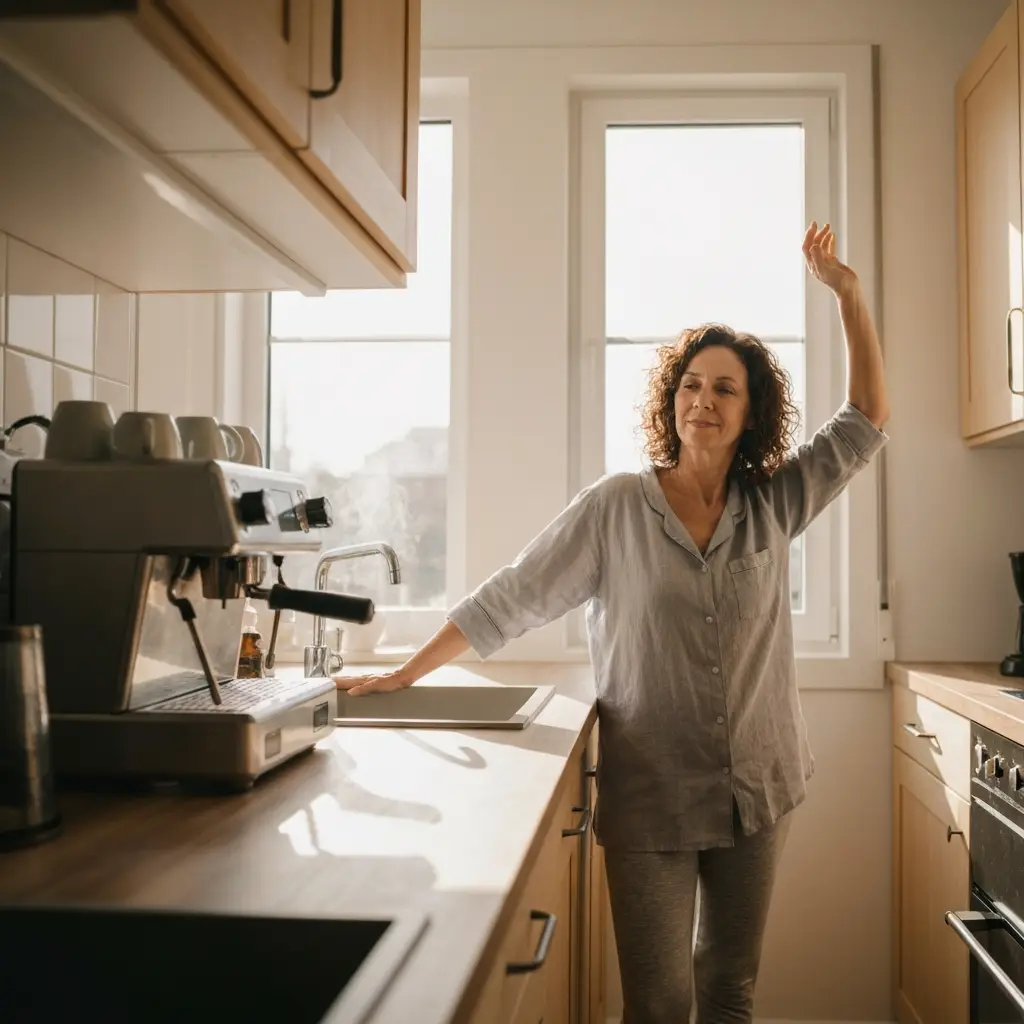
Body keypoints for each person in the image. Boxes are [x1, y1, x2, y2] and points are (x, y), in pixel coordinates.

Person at [335, 221, 889, 1023]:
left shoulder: (773, 503)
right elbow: (511, 595)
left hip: (758, 788)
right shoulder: (616, 507)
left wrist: (850, 295)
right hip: (652, 795)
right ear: (672, 398)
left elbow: (866, 419)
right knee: (659, 1007)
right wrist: (403, 673)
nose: (702, 399)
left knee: (729, 989)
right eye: (690, 384)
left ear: (750, 411)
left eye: (724, 388)